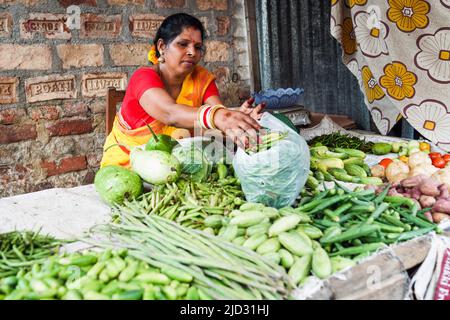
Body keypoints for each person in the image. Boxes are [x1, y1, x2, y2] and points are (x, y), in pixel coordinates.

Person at [101, 13, 265, 168]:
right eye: (183, 44)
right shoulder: (143, 77)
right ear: (162, 46)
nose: (192, 52)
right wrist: (221, 116)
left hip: (179, 168)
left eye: (198, 47)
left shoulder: (202, 78)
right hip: (127, 169)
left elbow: (216, 119)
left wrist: (237, 120)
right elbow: (170, 113)